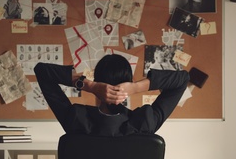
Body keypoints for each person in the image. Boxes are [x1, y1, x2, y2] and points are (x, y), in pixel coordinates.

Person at [34, 54, 189, 136]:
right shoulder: (145, 122)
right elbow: (183, 80)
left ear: (98, 82)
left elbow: (42, 71)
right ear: (128, 82)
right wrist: (136, 87)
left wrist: (90, 86)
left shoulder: (75, 119)